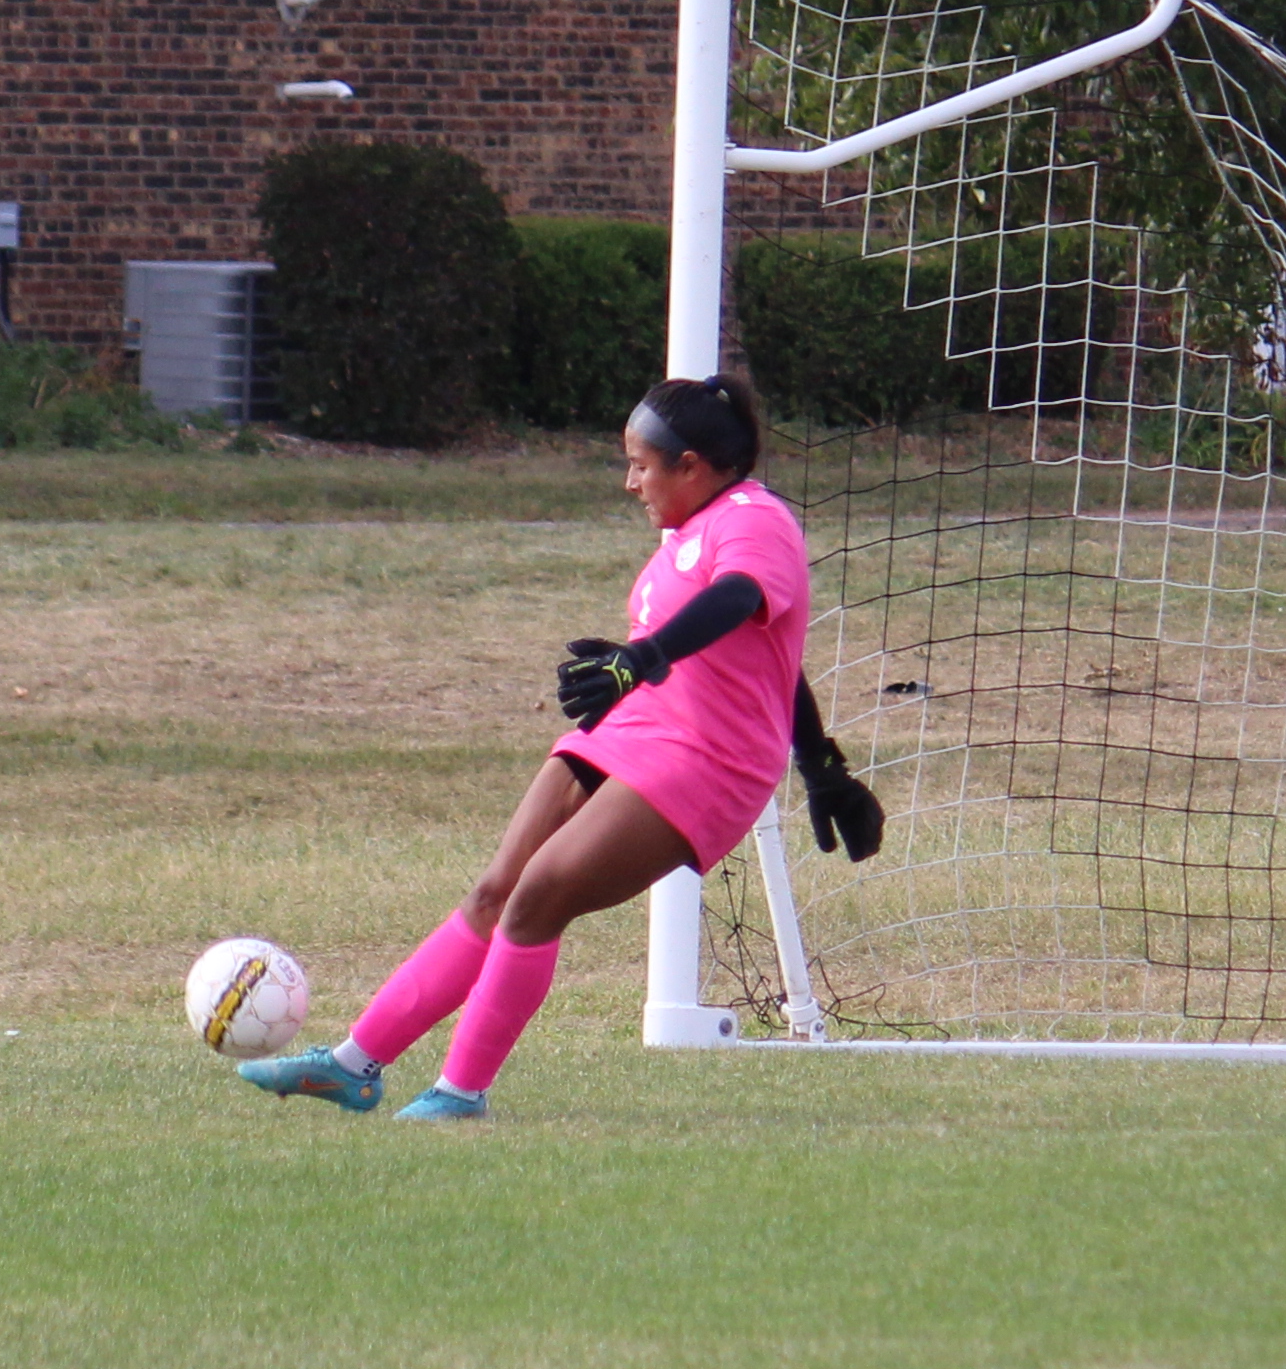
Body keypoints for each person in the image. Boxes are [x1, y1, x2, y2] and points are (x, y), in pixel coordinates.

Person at [238, 370, 876, 1125]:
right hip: (635, 729)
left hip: (708, 762)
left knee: (541, 898)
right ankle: (351, 1066)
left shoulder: (754, 519)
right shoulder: (689, 528)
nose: (630, 482)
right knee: (495, 891)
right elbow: (768, 654)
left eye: (641, 465)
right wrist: (815, 758)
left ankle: (460, 1094)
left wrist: (648, 665)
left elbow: (738, 602)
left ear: (692, 466)